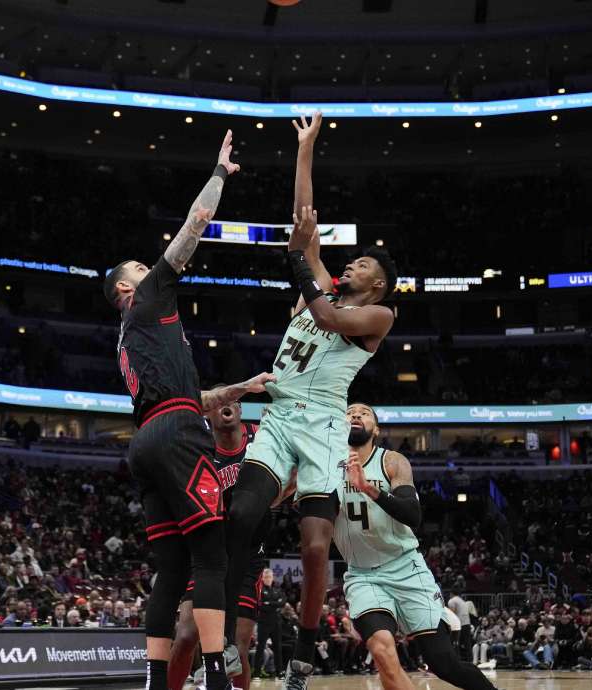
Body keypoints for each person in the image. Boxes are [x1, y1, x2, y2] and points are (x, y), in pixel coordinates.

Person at [224, 111, 398, 690]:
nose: (352, 264)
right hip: (277, 416)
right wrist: (305, 149)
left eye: (363, 264)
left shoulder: (376, 313)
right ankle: (223, 633)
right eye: (350, 260)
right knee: (241, 514)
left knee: (317, 548)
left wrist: (299, 261)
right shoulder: (321, 281)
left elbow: (324, 312)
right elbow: (303, 223)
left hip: (324, 424)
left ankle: (301, 652)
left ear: (376, 284)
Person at [103, 130, 271, 690]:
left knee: (169, 571)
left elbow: (188, 399)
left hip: (148, 440)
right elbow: (193, 226)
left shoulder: (128, 339)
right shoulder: (149, 296)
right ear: (129, 285)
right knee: (211, 556)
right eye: (137, 267)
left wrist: (240, 387)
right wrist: (219, 173)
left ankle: (155, 681)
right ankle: (217, 677)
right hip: (176, 434)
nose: (145, 268)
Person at [332, 404, 496, 690]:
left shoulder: (392, 461)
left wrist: (368, 487)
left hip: (406, 567)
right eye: (350, 412)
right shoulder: (325, 465)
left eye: (365, 413)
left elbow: (413, 515)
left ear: (377, 429)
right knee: (382, 649)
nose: (356, 415)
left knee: (443, 664)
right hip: (362, 574)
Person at [167, 401, 284, 690]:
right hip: (208, 553)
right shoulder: (198, 447)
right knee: (185, 636)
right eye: (220, 403)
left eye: (233, 402)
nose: (227, 407)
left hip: (246, 557)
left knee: (238, 649)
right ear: (208, 413)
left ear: (242, 411)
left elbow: (289, 474)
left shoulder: (261, 436)